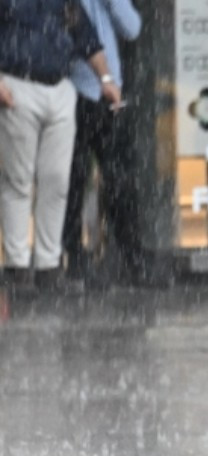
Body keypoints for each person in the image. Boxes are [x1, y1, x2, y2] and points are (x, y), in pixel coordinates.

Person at [1, 0, 121, 294]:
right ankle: (17, 266)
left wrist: (105, 78)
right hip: (18, 84)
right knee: (18, 179)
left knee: (57, 181)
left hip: (60, 86)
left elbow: (87, 39)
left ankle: (48, 266)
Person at [62, 0, 143, 291]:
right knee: (73, 179)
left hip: (109, 93)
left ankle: (129, 255)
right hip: (73, 89)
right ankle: (74, 256)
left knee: (120, 177)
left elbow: (133, 28)